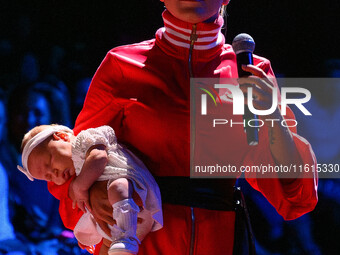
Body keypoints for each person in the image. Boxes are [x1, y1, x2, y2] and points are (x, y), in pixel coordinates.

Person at [48, 0, 318, 254]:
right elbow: (73, 161)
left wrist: (274, 119)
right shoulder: (120, 65)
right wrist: (93, 191)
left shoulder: (253, 70)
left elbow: (293, 192)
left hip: (220, 240)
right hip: (140, 240)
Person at [18, 124, 163, 254]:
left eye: (50, 162)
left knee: (117, 187)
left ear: (62, 137)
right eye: (48, 177)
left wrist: (80, 186)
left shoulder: (84, 142)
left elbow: (99, 158)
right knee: (107, 245)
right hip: (118, 223)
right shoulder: (72, 178)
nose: (54, 173)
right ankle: (122, 244)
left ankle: (126, 237)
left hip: (135, 193)